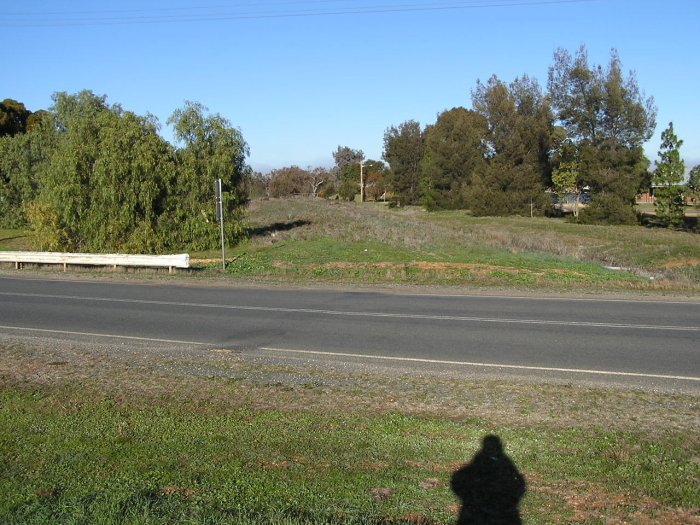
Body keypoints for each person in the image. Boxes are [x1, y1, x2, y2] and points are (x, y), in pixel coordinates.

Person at [450, 435, 526, 524]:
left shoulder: (477, 465)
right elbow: (519, 485)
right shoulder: (505, 467)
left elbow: (457, 481)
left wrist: (468, 499)